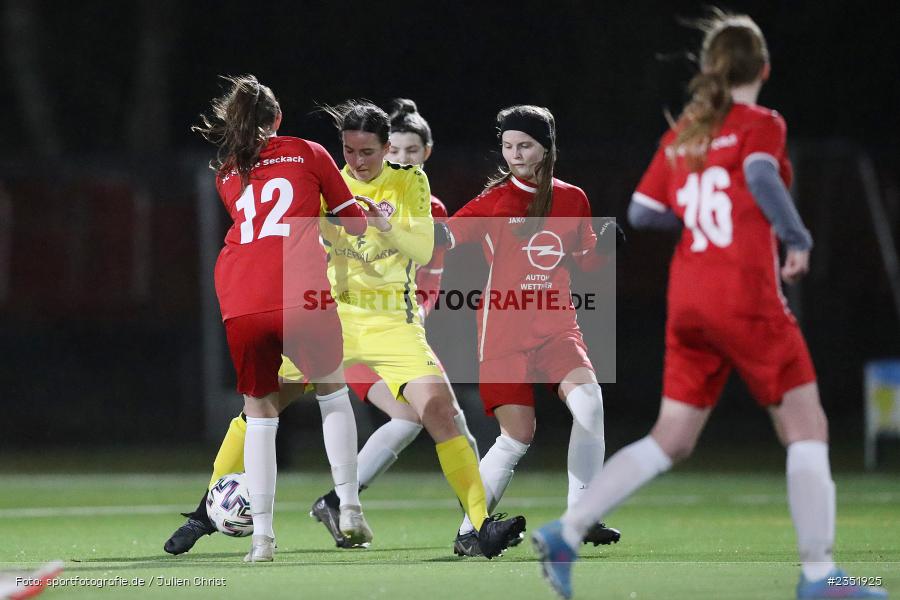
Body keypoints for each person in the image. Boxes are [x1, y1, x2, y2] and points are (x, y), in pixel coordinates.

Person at [532, 12, 888, 600]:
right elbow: (759, 173)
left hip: (690, 300)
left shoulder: (686, 132)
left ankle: (567, 531)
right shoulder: (760, 123)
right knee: (807, 426)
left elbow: (643, 210)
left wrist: (696, 221)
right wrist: (796, 237)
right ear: (763, 68)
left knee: (672, 436)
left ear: (710, 68)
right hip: (744, 295)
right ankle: (820, 575)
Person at [166, 99, 525, 560]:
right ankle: (205, 512)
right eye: (350, 151)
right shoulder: (326, 178)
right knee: (262, 406)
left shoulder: (410, 181)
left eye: (367, 152)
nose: (357, 161)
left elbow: (420, 250)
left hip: (391, 322)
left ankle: (476, 527)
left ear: (387, 148)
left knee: (438, 409)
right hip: (330, 315)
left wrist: (384, 225)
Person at [186, 75, 374, 563]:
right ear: (278, 118)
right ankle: (350, 509)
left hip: (241, 296)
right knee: (332, 392)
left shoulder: (228, 171)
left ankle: (262, 540)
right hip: (299, 288)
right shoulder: (308, 152)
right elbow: (353, 224)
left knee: (260, 414)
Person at [435, 105, 623, 557]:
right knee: (517, 436)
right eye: (507, 146)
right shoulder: (494, 201)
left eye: (524, 145)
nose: (515, 154)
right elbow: (445, 236)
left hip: (558, 329)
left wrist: (607, 247)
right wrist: (394, 232)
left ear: (546, 148)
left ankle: (580, 516)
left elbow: (585, 260)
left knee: (590, 404)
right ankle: (469, 532)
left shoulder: (573, 199)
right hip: (504, 334)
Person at [308, 98, 483, 549]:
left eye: (411, 151)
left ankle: (339, 502)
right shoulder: (341, 188)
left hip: (399, 326)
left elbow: (430, 277)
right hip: (352, 327)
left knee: (426, 418)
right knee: (437, 418)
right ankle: (475, 526)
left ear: (426, 153)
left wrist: (413, 317)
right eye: (397, 150)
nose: (402, 158)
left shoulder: (426, 205)